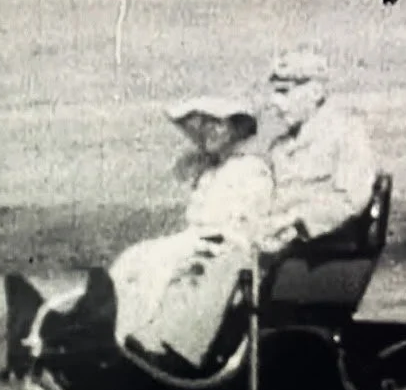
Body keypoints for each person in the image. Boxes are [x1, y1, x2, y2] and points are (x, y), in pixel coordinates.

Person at [106, 96, 279, 369]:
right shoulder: (209, 171)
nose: (208, 131)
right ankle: (119, 331)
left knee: (162, 263)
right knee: (135, 258)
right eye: (204, 125)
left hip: (227, 247)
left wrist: (210, 240)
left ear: (236, 129)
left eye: (217, 124)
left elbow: (246, 226)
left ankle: (152, 342)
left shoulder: (252, 169)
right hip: (200, 240)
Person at [248, 48, 380, 251]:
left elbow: (351, 200)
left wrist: (296, 221)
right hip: (276, 246)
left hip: (322, 250)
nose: (274, 102)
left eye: (284, 91)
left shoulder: (346, 133)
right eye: (274, 92)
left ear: (315, 92)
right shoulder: (280, 147)